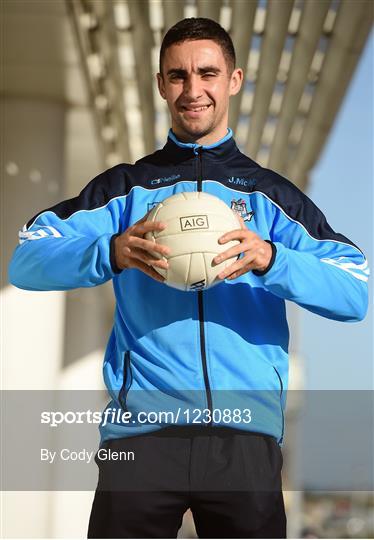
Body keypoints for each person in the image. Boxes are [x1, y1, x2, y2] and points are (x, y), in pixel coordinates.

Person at [8, 17, 368, 539]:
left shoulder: (270, 198)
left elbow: (354, 290)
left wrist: (272, 260)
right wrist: (109, 251)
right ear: (160, 84)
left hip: (244, 441)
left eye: (207, 73)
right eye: (177, 76)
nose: (192, 89)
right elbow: (27, 260)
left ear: (234, 80)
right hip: (143, 438)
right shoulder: (125, 190)